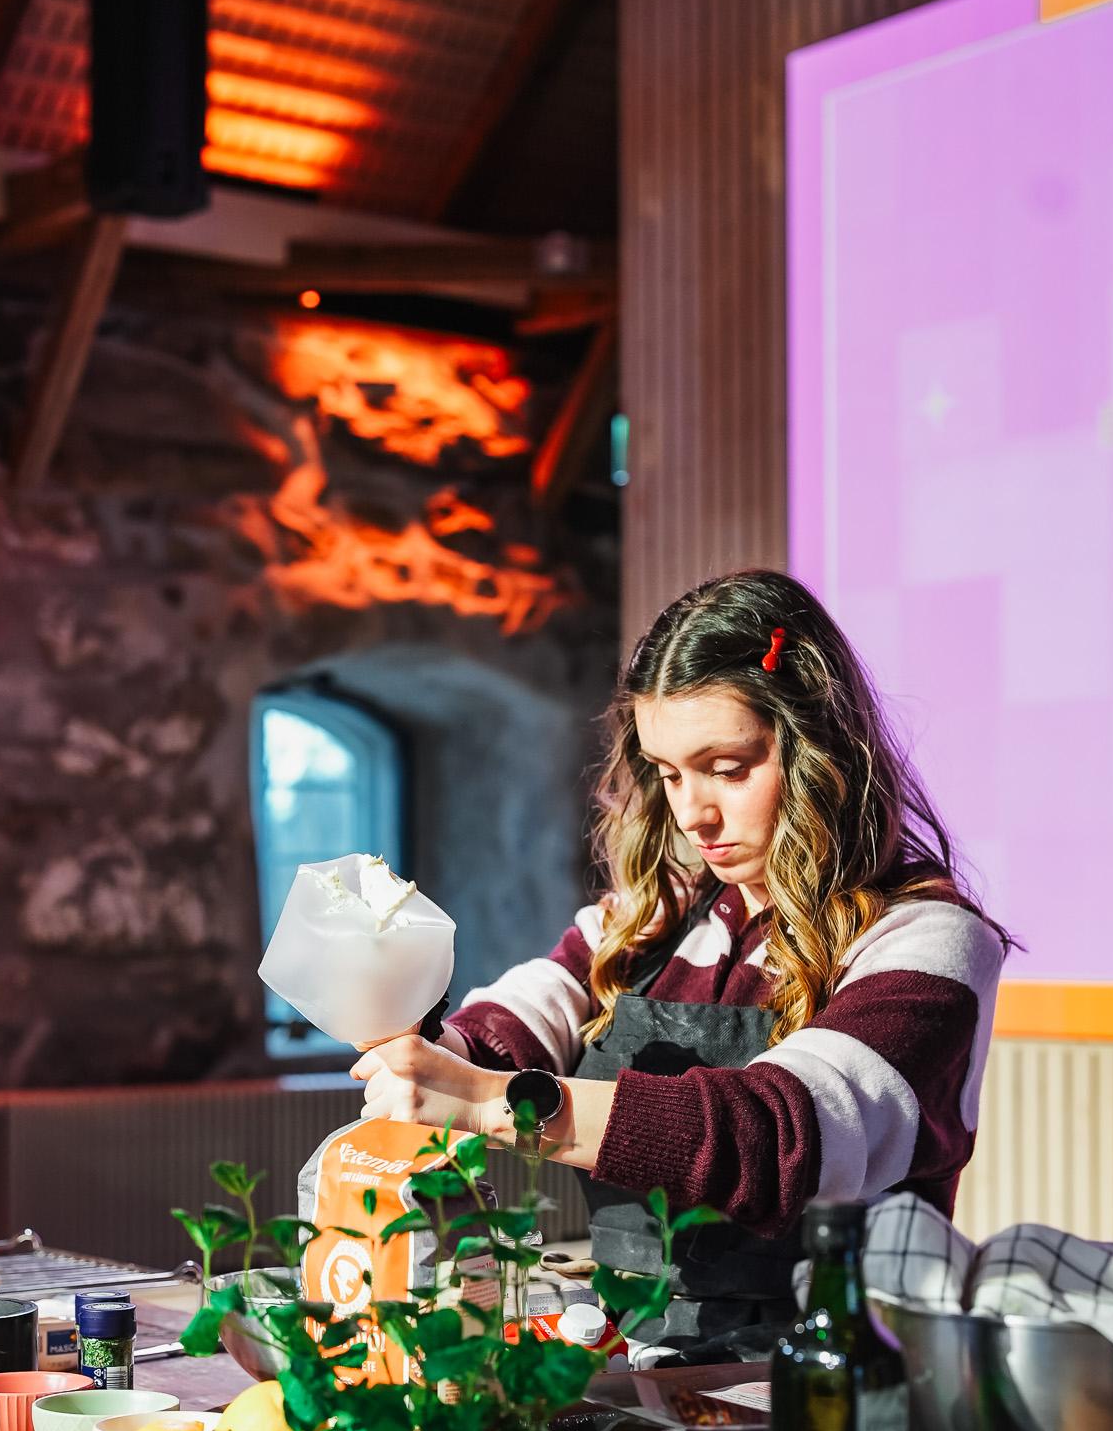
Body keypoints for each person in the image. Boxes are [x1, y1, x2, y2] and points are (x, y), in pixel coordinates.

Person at [351, 570, 1010, 1362]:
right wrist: (441, 1056)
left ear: (817, 751)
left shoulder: (926, 940)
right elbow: (530, 1011)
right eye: (668, 774)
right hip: (654, 1374)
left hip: (838, 1388)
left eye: (727, 768)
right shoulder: (657, 919)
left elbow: (778, 1139)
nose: (694, 813)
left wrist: (500, 1105)